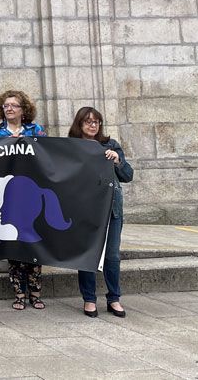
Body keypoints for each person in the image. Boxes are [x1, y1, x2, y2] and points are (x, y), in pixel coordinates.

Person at [0, 89, 48, 311]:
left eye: (13, 105)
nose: (9, 109)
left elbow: (47, 155)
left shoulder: (36, 130)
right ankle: (19, 292)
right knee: (12, 241)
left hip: (30, 191)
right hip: (7, 193)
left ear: (23, 109)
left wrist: (27, 142)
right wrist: (7, 144)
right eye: (5, 106)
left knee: (32, 240)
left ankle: (36, 292)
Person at [69, 106, 133, 319]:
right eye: (88, 121)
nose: (93, 125)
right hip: (86, 210)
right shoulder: (71, 147)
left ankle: (114, 298)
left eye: (96, 121)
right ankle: (89, 299)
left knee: (112, 256)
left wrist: (117, 160)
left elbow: (128, 175)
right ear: (79, 124)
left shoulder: (110, 145)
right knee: (88, 255)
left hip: (111, 208)